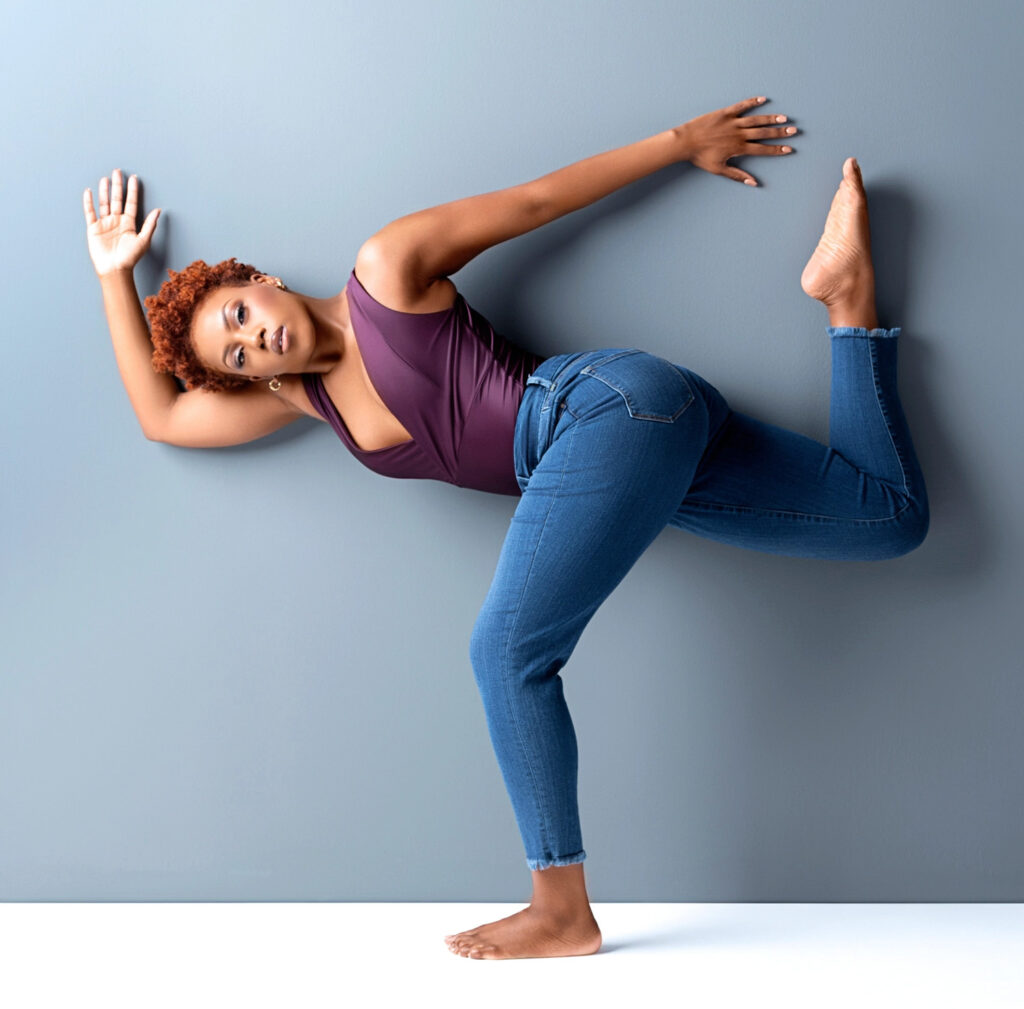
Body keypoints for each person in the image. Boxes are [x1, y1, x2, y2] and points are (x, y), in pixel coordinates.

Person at [83, 95, 929, 961]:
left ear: (255, 281)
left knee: (505, 651)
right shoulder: (304, 401)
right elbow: (164, 418)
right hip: (635, 460)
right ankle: (847, 301)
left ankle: (560, 906)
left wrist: (682, 143)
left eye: (237, 315)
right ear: (249, 378)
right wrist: (115, 274)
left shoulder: (387, 268)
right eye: (238, 355)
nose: (256, 339)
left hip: (604, 407)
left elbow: (534, 203)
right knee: (886, 518)